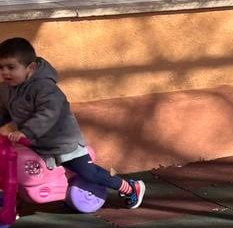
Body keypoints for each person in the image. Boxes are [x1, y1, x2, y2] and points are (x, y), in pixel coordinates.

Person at [0, 37, 144, 208]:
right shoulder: (7, 89)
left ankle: (130, 188)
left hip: (63, 143)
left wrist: (26, 132)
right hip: (36, 143)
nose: (5, 73)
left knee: (88, 172)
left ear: (30, 68)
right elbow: (4, 111)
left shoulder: (45, 88)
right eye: (1, 68)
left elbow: (48, 113)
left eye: (11, 67)